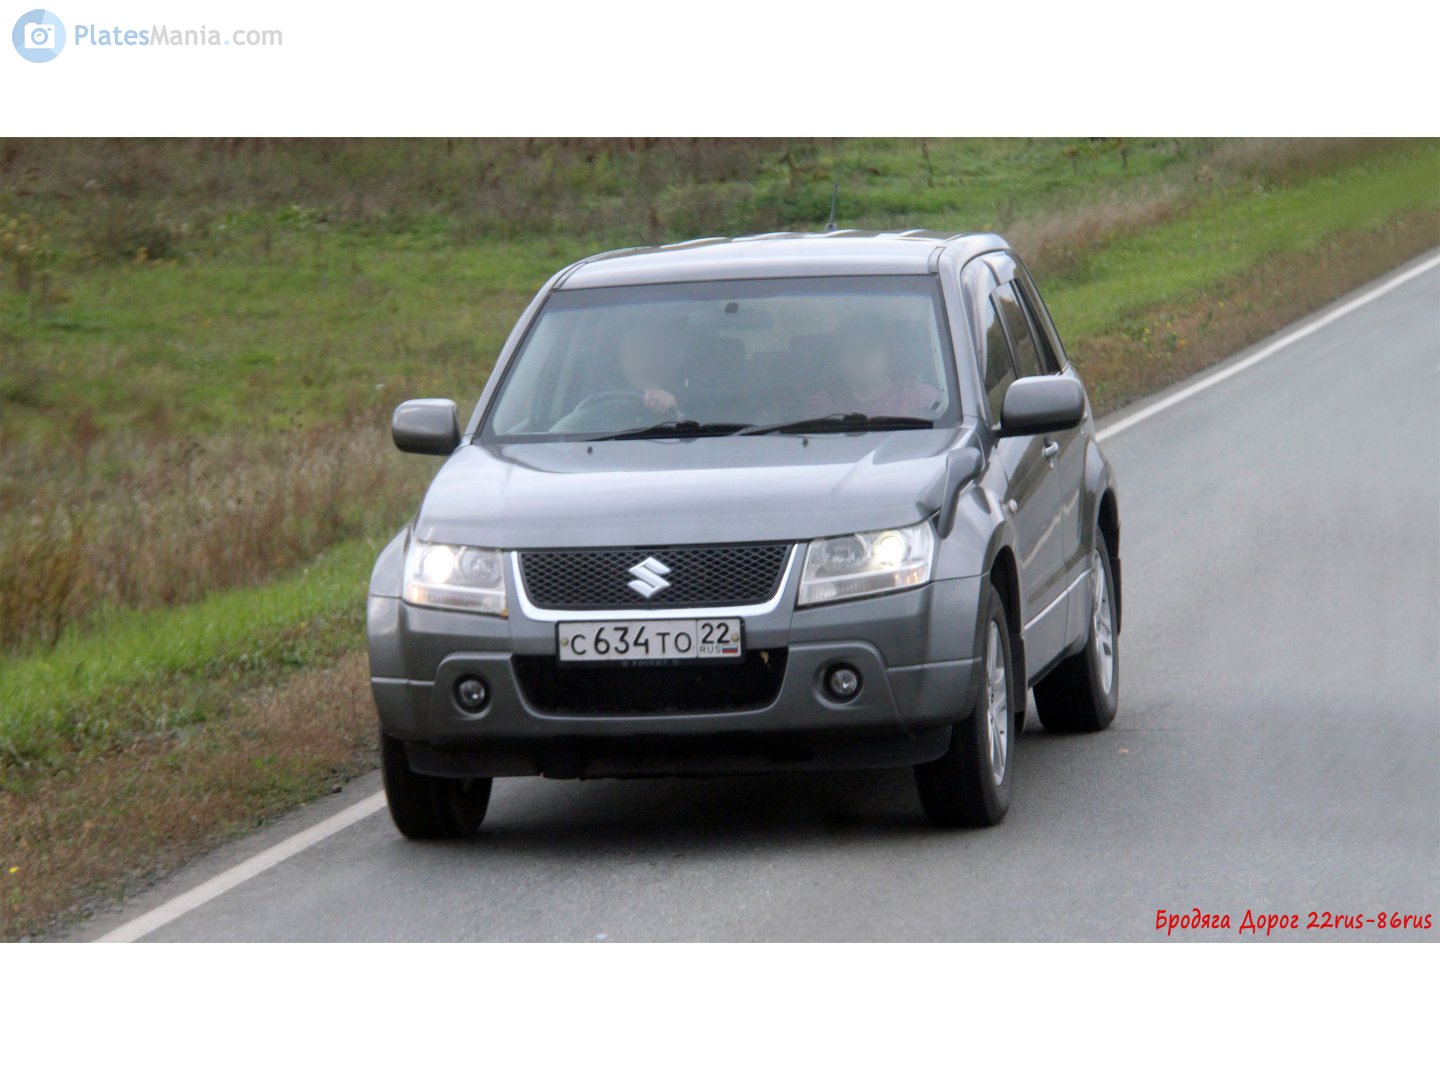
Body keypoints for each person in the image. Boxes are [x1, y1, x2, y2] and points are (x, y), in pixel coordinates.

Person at [807, 314, 939, 418]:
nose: (859, 356)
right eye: (849, 349)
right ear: (838, 360)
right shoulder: (821, 406)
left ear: (889, 355)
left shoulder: (920, 398)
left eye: (869, 348)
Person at [616, 319, 687, 416]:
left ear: (674, 360)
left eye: (654, 354)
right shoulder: (600, 408)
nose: (644, 364)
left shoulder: (696, 401)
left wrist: (675, 415)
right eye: (633, 354)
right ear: (619, 362)